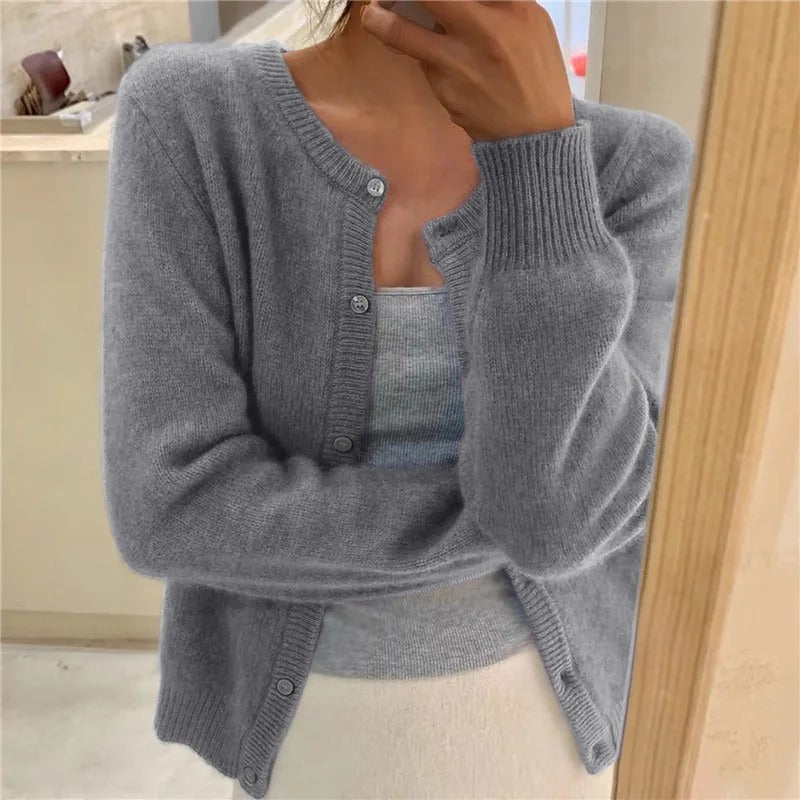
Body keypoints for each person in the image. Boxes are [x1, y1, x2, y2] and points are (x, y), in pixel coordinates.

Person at [100, 1, 694, 798]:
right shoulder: (194, 118)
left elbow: (555, 524)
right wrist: (498, 523)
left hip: (555, 746)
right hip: (310, 749)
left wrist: (540, 164)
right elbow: (171, 507)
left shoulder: (634, 170)